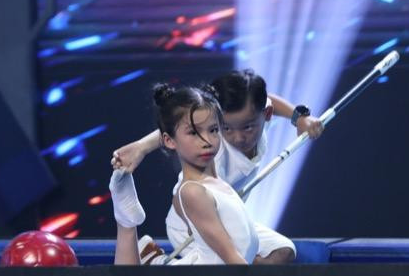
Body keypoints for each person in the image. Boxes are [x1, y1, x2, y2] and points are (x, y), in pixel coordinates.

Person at [111, 70, 323, 264]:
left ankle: (152, 257)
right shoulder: (210, 155)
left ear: (265, 115)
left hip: (229, 219)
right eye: (226, 128)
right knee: (238, 262)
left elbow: (268, 100)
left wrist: (298, 118)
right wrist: (141, 147)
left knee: (283, 251)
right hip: (191, 224)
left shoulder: (249, 114)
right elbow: (180, 127)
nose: (238, 137)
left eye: (247, 127)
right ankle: (154, 259)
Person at [111, 83, 257, 265]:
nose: (207, 141)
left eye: (213, 130)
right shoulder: (192, 192)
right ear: (168, 141)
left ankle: (153, 260)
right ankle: (126, 223)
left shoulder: (214, 183)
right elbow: (233, 261)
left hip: (210, 271)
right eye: (194, 132)